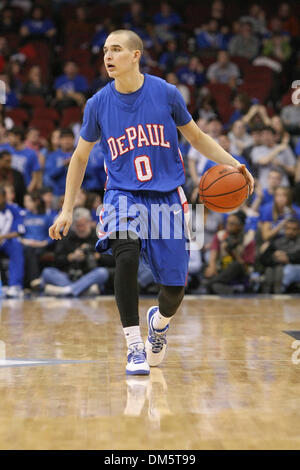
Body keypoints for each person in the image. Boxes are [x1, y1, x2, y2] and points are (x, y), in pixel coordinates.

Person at [49, 29, 254, 376]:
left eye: (116, 50)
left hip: (166, 197)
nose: (108, 56)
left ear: (135, 55)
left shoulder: (166, 93)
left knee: (173, 290)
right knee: (125, 253)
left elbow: (197, 138)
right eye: (104, 50)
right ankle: (133, 346)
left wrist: (234, 163)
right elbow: (80, 157)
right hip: (123, 194)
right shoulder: (97, 104)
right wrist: (67, 208)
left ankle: (158, 326)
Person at [43, 208, 114, 297]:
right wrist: (71, 257)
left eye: (82, 225)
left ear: (89, 223)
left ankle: (67, 290)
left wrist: (96, 256)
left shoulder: (100, 237)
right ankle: (80, 289)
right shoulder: (67, 237)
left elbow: (112, 260)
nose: (80, 228)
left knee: (102, 272)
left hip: (90, 275)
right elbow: (56, 260)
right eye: (77, 226)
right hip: (69, 275)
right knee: (47, 272)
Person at [0, 183, 25, 298]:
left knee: (16, 244)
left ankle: (15, 285)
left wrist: (2, 237)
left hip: (6, 240)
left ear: (4, 197)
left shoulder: (14, 210)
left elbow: (18, 231)